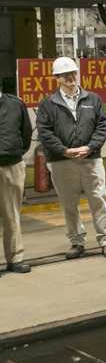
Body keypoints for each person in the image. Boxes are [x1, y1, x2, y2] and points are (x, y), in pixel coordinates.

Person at [35, 57, 106, 260]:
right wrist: (64, 151)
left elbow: (103, 125)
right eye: (65, 75)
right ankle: (77, 242)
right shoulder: (47, 103)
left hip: (91, 159)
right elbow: (44, 132)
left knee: (98, 200)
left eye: (72, 73)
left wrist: (90, 147)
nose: (70, 77)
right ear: (57, 78)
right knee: (68, 203)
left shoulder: (93, 99)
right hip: (61, 161)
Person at [0, 84, 34, 274]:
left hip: (11, 166)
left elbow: (26, 133)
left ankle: (15, 258)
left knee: (12, 214)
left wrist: (13, 153)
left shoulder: (15, 104)